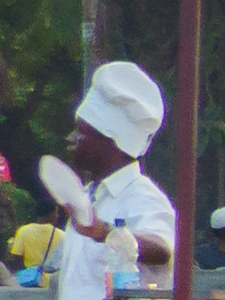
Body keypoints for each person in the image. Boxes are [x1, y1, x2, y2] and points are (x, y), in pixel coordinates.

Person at [58, 61, 178, 275]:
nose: (71, 138)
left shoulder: (142, 196)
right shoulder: (88, 195)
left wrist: (106, 232)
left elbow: (162, 250)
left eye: (81, 132)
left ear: (110, 141)